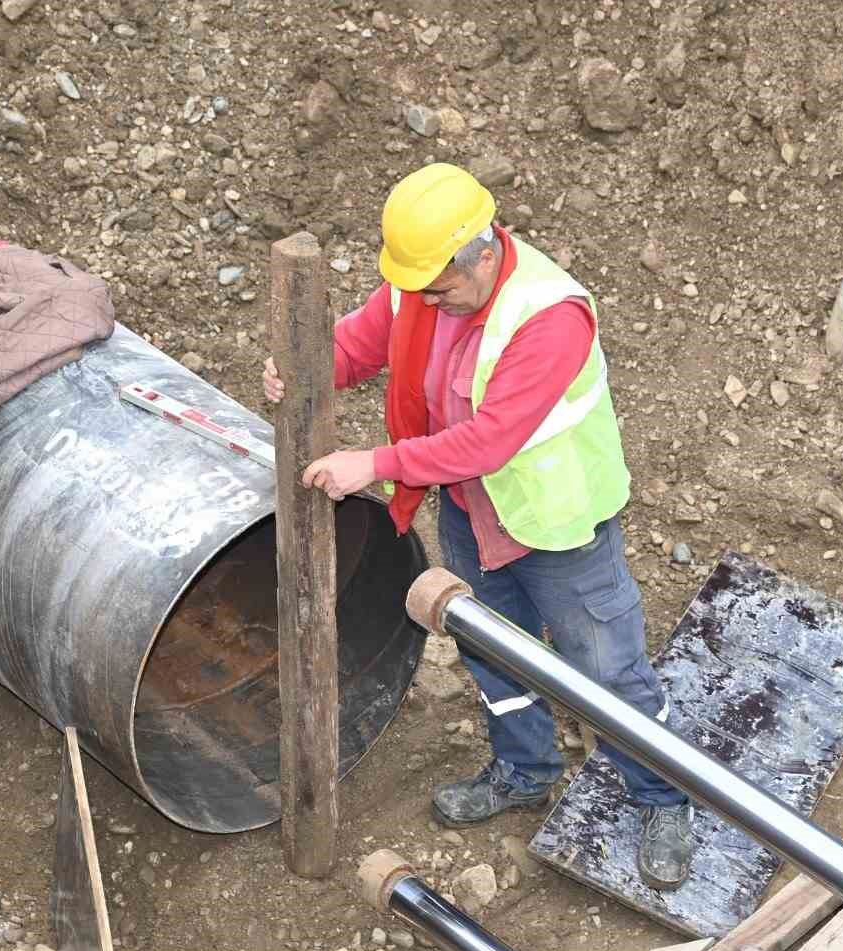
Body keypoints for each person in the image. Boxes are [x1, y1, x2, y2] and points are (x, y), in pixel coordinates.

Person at [261, 163, 694, 890]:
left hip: (560, 532)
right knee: (495, 653)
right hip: (472, 511)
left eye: (438, 289)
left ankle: (664, 799)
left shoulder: (549, 317)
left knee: (608, 670)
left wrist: (378, 462)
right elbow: (357, 347)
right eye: (418, 288)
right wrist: (302, 370)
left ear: (485, 255)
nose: (424, 302)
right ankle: (524, 770)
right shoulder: (424, 284)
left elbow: (490, 438)